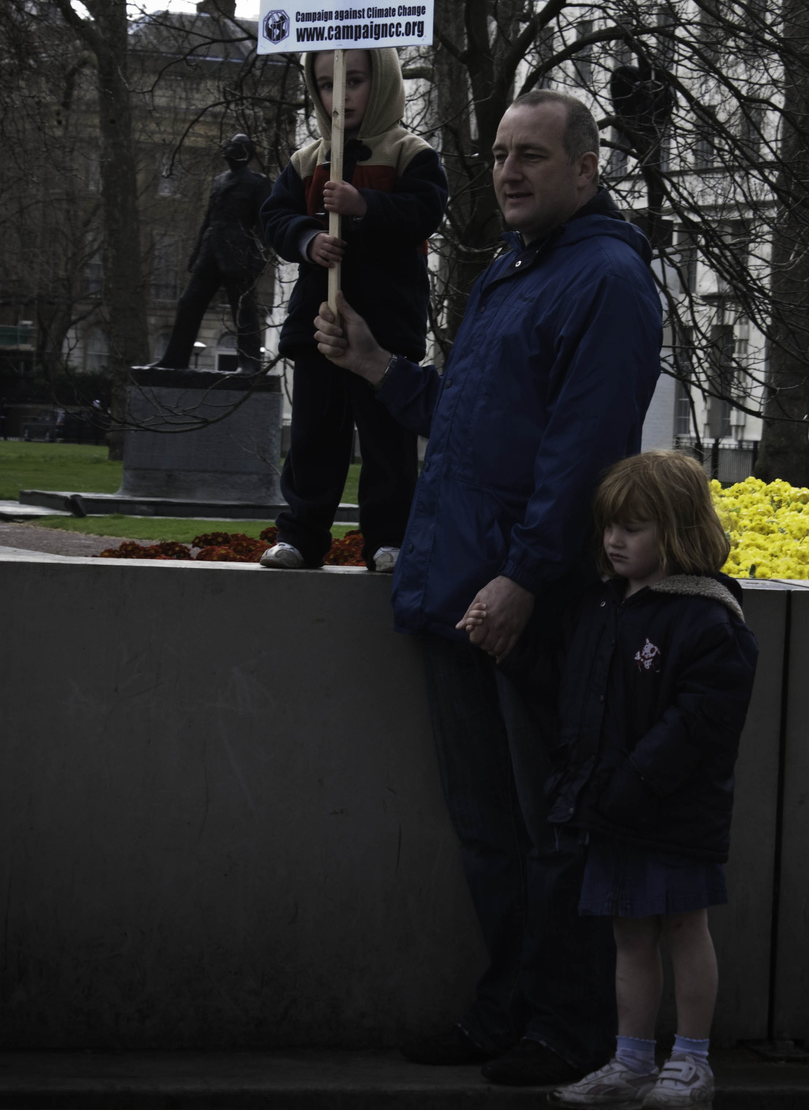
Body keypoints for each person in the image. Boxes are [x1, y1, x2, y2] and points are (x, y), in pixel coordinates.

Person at [313, 90, 664, 1087]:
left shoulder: (606, 279)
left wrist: (521, 579)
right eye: (502, 153)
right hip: (459, 596)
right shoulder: (515, 268)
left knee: (551, 828)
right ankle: (507, 1005)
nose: (509, 171)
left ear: (587, 171)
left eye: (534, 156)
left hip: (527, 604)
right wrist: (379, 364)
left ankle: (566, 1025)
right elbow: (474, 421)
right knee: (488, 829)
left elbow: (584, 459)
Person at [517, 451, 758, 1109]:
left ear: (676, 531)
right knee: (628, 936)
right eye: (608, 527)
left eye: (634, 527)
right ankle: (629, 1059)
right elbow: (570, 691)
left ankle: (690, 1061)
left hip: (669, 812)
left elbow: (698, 724)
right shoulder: (601, 606)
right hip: (610, 806)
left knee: (682, 928)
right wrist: (509, 651)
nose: (614, 540)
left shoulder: (707, 619)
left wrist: (630, 787)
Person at [260, 47, 447, 572]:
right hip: (319, 327)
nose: (338, 96)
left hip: (386, 330)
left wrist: (364, 206)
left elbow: (424, 211)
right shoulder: (308, 159)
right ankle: (301, 535)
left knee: (388, 442)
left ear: (382, 81)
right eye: (325, 85)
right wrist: (306, 238)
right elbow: (273, 216)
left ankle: (389, 538)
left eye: (354, 81)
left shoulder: (411, 152)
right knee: (314, 436)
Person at [156, 133, 272, 371]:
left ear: (245, 153)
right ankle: (175, 360)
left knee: (243, 310)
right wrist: (196, 253)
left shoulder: (258, 183)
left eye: (234, 146)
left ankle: (250, 364)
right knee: (188, 303)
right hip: (209, 253)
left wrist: (257, 261)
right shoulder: (218, 180)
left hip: (237, 255)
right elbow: (209, 220)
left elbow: (264, 226)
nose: (228, 148)